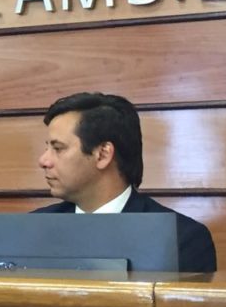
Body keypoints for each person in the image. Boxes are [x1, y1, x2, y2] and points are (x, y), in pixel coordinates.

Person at [34, 92, 216, 272]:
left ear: (103, 154)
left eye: (58, 148)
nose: (43, 161)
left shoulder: (181, 240)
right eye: (47, 148)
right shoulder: (35, 228)